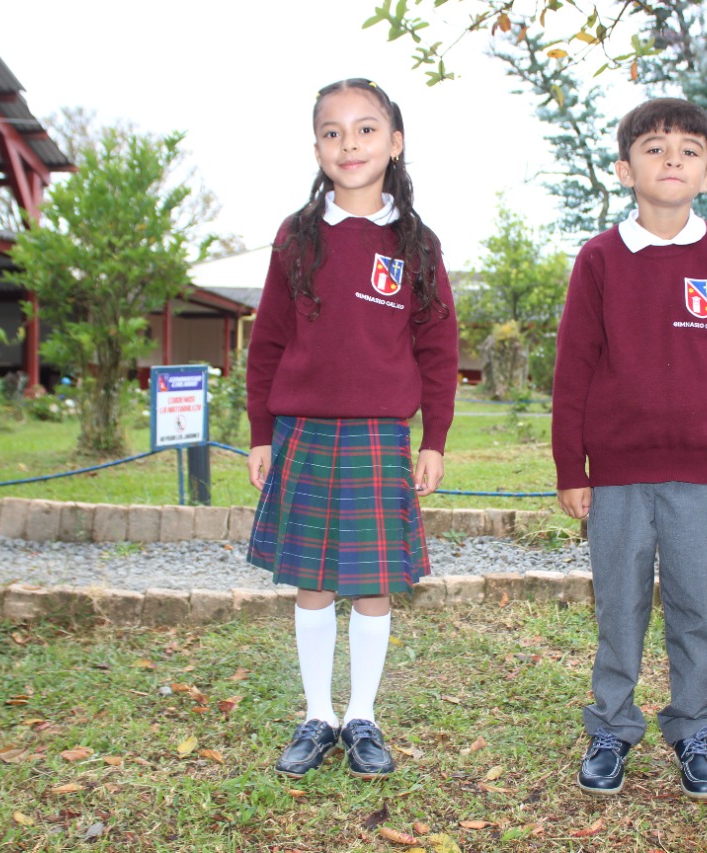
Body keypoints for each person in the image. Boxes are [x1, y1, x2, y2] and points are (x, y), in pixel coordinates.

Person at [551, 97, 707, 801]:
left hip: (703, 475)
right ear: (624, 168)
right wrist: (569, 466)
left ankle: (696, 728)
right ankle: (611, 726)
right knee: (618, 606)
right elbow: (574, 368)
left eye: (688, 150)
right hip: (616, 475)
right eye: (654, 147)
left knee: (693, 608)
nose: (671, 158)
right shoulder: (601, 259)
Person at [244, 78, 459, 781]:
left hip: (380, 437)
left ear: (395, 143)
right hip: (304, 432)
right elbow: (268, 341)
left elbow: (439, 349)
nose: (350, 144)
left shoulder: (415, 243)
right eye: (333, 132)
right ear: (317, 148)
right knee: (311, 582)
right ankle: (317, 715)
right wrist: (260, 433)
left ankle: (361, 715)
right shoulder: (296, 237)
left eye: (366, 129)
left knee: (372, 585)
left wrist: (434, 440)